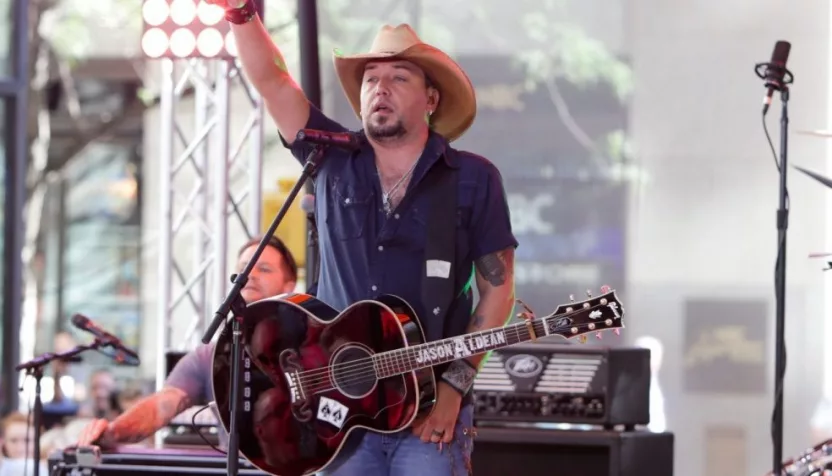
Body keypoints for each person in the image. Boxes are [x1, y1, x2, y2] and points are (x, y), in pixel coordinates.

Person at [209, 2, 518, 475]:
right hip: (337, 413)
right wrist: (240, 14)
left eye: (399, 77)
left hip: (427, 407)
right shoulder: (330, 158)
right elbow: (274, 83)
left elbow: (497, 291)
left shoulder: (472, 178)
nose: (380, 88)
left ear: (431, 99)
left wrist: (455, 389)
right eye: (371, 78)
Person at [76, 235, 298, 447]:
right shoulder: (209, 357)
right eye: (244, 269)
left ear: (289, 286)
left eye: (264, 269)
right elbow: (163, 404)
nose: (251, 275)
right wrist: (113, 431)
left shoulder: (308, 344)